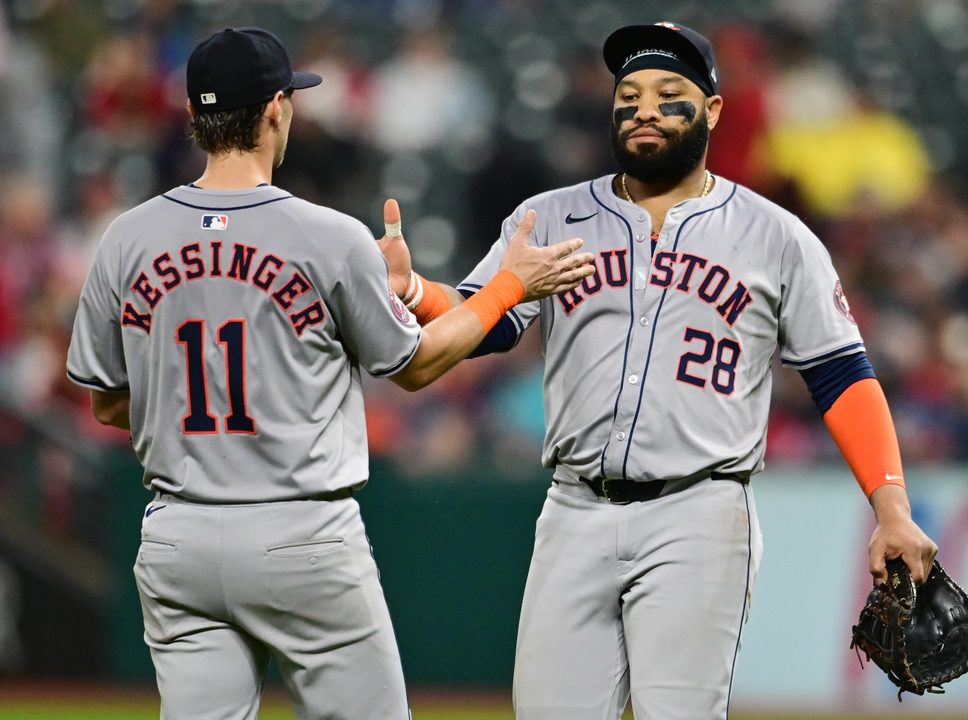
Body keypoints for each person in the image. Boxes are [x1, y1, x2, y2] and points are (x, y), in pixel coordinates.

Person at [379, 21, 938, 720]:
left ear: (711, 111)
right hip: (573, 508)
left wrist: (890, 508)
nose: (644, 107)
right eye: (629, 93)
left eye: (669, 93)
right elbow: (478, 322)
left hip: (698, 512)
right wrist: (410, 293)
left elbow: (840, 376)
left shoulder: (775, 236)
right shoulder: (548, 217)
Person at [65, 26, 593, 720]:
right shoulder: (326, 234)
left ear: (195, 117)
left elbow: (107, 405)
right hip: (299, 534)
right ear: (277, 109)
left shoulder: (126, 237)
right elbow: (417, 364)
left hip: (177, 539)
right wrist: (507, 288)